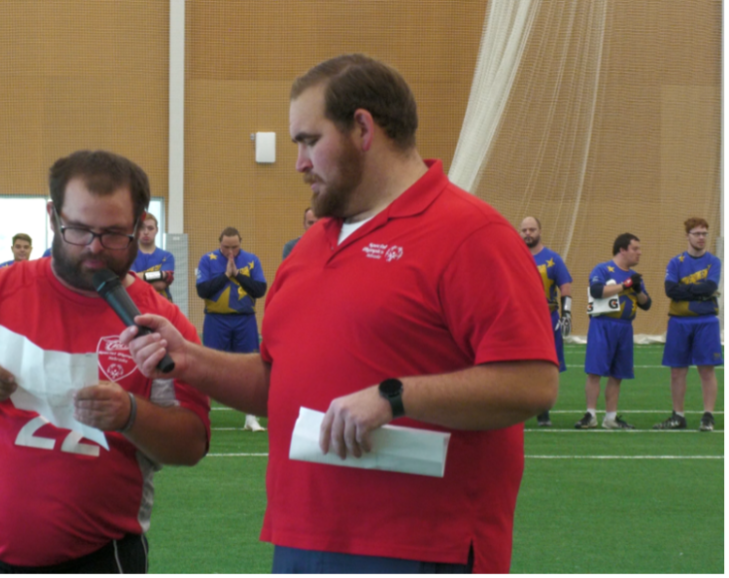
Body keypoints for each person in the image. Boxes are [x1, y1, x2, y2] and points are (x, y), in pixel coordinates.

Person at [123, 54, 558, 576]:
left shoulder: (472, 235)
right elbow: (278, 383)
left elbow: (532, 383)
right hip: (303, 538)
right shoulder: (308, 250)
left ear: (363, 129)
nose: (299, 163)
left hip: (424, 547)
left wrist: (393, 396)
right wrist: (190, 360)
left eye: (309, 141)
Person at [0, 150, 210, 575]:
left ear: (140, 226)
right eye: (78, 229)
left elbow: (191, 444)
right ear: (52, 216)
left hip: (102, 559)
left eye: (114, 233)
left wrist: (130, 414)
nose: (95, 247)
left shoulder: (161, 323)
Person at [576, 233, 652, 431]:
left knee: (618, 374)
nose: (639, 253)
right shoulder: (603, 269)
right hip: (603, 324)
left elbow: (646, 304)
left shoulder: (634, 276)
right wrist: (625, 285)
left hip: (625, 328)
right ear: (622, 250)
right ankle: (590, 415)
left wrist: (638, 290)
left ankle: (611, 417)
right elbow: (596, 291)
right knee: (595, 371)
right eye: (635, 248)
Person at [653, 218, 722, 432]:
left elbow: (710, 287)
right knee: (677, 371)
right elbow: (670, 290)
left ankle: (708, 416)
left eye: (704, 234)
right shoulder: (676, 262)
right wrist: (698, 292)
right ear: (687, 236)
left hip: (706, 321)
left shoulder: (713, 262)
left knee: (706, 370)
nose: (701, 238)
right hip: (679, 321)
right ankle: (678, 416)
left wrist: (685, 291)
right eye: (697, 234)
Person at [196, 227, 267, 433]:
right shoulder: (207, 260)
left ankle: (251, 418)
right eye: (226, 247)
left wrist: (237, 274)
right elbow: (202, 290)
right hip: (216, 320)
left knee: (250, 369)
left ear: (240, 243)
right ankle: (202, 415)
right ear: (220, 243)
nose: (230, 252)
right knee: (209, 369)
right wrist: (227, 275)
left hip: (245, 320)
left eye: (234, 247)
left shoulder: (252, 260)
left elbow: (260, 290)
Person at [520, 217, 573, 428]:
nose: (528, 233)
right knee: (520, 365)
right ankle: (520, 410)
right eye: (524, 230)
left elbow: (565, 286)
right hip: (521, 320)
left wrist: (566, 314)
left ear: (540, 231)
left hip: (547, 319)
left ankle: (543, 411)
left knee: (547, 365)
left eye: (532, 229)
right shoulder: (514, 256)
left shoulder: (553, 259)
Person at [132, 213, 175, 300]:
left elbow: (160, 285)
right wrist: (161, 274)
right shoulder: (129, 255)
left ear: (157, 230)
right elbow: (129, 280)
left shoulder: (167, 256)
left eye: (150, 228)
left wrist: (137, 278)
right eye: (142, 228)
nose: (146, 232)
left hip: (161, 304)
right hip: (135, 304)